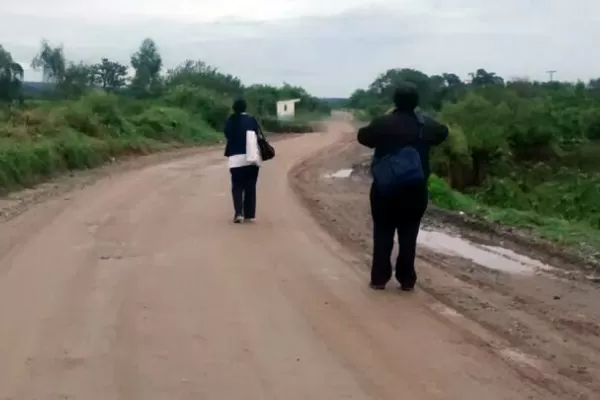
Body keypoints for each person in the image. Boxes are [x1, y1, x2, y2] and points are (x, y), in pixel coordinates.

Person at [357, 84, 449, 291]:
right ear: (416, 103)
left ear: (394, 102)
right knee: (409, 235)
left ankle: (379, 279)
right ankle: (407, 279)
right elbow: (443, 132)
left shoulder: (384, 123)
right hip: (415, 189)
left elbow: (363, 136)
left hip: (384, 189)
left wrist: (385, 120)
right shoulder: (425, 125)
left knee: (382, 233)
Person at [224, 98, 262, 223]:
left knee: (237, 187)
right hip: (251, 158)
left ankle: (238, 213)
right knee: (250, 186)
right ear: (245, 108)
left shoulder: (230, 121)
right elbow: (257, 135)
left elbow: (227, 135)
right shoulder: (251, 120)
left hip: (235, 159)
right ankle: (250, 214)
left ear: (234, 108)